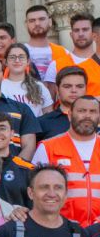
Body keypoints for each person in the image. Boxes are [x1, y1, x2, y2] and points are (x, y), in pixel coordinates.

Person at [33, 95, 100, 226]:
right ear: (69, 115)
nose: (87, 116)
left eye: (92, 112)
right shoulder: (48, 147)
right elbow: (34, 192)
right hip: (61, 229)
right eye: (81, 111)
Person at [2, 43, 54, 117]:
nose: (17, 60)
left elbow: (49, 116)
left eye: (21, 57)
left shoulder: (39, 86)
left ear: (28, 61)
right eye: (12, 57)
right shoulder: (0, 87)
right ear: (6, 62)